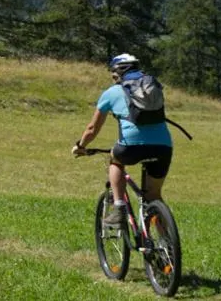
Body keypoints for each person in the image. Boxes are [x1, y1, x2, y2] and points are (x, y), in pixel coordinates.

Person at [72, 53, 173, 225]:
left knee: (116, 160)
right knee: (153, 196)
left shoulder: (111, 93)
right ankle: (167, 245)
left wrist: (80, 146)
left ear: (116, 73)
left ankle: (119, 207)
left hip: (131, 146)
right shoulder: (150, 89)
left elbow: (92, 128)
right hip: (163, 146)